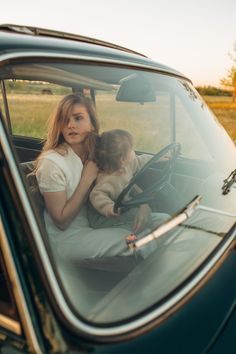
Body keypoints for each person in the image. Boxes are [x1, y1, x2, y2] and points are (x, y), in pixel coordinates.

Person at [34, 94, 147, 271]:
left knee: (162, 222)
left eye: (78, 118)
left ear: (92, 124)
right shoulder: (52, 163)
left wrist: (143, 205)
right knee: (138, 240)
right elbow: (61, 221)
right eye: (65, 120)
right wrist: (86, 179)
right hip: (70, 239)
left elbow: (124, 176)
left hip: (97, 221)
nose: (70, 125)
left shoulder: (100, 151)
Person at [88, 129, 166, 235]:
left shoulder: (128, 164)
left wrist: (160, 157)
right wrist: (110, 208)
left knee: (152, 215)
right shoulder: (108, 180)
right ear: (122, 159)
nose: (133, 152)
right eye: (131, 150)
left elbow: (142, 160)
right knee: (140, 217)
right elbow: (97, 196)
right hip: (103, 217)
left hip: (124, 205)